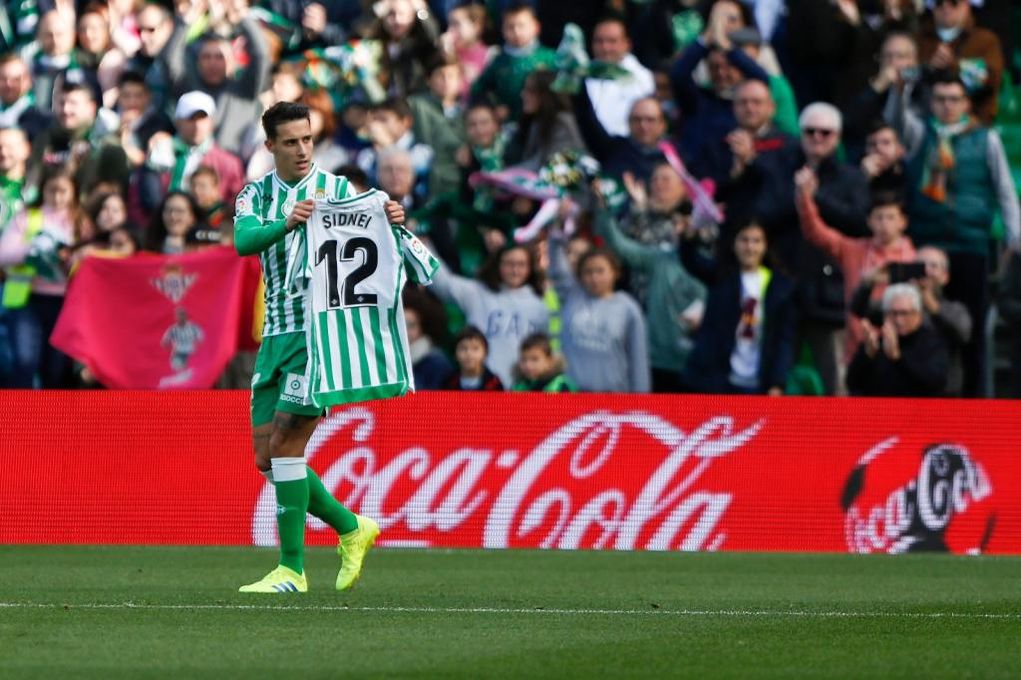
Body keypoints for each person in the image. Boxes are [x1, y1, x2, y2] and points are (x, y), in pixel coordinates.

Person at [232, 101, 405, 594]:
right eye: (290, 141)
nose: (303, 149)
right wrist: (286, 223)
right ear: (271, 147)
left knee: (288, 444)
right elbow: (244, 242)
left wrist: (391, 217)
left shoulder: (338, 190)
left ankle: (291, 569)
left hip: (319, 336)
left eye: (307, 138)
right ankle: (352, 527)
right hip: (275, 338)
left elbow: (375, 239)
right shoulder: (256, 195)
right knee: (269, 460)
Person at [898, 73, 1019, 395]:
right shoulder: (920, 132)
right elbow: (895, 120)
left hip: (970, 243)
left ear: (966, 103)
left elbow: (1004, 190)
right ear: (931, 102)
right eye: (940, 99)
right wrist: (902, 89)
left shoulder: (986, 138)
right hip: (925, 241)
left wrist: (1014, 236)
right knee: (919, 322)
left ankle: (974, 400)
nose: (947, 106)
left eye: (954, 99)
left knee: (971, 328)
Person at [594, 188, 705, 393]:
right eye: (677, 223)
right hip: (658, 363)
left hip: (698, 365)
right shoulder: (659, 259)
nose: (681, 228)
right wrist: (604, 211)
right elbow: (619, 246)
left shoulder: (713, 265)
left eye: (687, 223)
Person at [797, 179, 917, 359]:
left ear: (903, 222)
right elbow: (816, 233)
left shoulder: (914, 258)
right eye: (879, 217)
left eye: (891, 217)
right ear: (869, 222)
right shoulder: (853, 249)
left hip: (901, 350)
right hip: (857, 347)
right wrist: (804, 198)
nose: (884, 224)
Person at [683, 220, 798, 395]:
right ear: (734, 244)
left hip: (758, 381)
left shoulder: (780, 287)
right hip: (718, 380)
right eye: (744, 240)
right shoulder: (722, 276)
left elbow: (783, 338)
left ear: (765, 246)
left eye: (756, 241)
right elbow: (692, 260)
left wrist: (777, 382)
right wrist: (689, 238)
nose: (750, 247)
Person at [0, 165, 78, 388]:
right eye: (51, 190)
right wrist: (33, 250)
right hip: (27, 299)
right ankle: (17, 420)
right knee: (24, 363)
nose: (56, 196)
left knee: (54, 368)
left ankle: (50, 421)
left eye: (62, 191)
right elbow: (3, 254)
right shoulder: (27, 217)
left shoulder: (80, 222)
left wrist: (66, 258)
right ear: (43, 190)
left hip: (65, 303)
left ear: (73, 192)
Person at [429, 243, 549, 386]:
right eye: (509, 264)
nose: (515, 270)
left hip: (521, 388)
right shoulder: (477, 293)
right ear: (498, 265)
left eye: (521, 264)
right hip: (482, 386)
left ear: (530, 268)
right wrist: (423, 245)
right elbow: (443, 284)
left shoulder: (539, 306)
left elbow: (543, 351)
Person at [548, 238, 650, 393]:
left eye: (600, 271)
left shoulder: (628, 308)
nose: (594, 278)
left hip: (613, 397)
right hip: (571, 394)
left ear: (615, 273)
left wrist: (641, 403)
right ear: (580, 276)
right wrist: (557, 237)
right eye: (588, 272)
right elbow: (557, 269)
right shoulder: (571, 296)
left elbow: (638, 360)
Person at [846, 282, 950, 397]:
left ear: (918, 314)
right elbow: (852, 383)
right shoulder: (877, 341)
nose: (899, 320)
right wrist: (867, 355)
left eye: (905, 313)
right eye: (893, 313)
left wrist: (898, 358)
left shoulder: (933, 342)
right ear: (885, 315)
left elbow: (936, 382)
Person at [917, 0, 1003, 123]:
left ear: (967, 5)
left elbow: (992, 80)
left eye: (954, 2)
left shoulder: (986, 40)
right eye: (939, 3)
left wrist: (954, 66)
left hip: (974, 124)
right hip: (923, 123)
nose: (946, 7)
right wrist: (928, 68)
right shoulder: (918, 41)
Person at [470, 3, 557, 121]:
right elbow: (479, 88)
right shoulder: (498, 60)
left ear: (536, 27)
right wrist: (494, 107)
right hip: (510, 124)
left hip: (544, 120)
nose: (516, 31)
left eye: (522, 25)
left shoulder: (550, 57)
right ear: (502, 30)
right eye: (510, 27)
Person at [584, 16, 656, 138]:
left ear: (626, 44)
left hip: (624, 148)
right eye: (599, 41)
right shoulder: (582, 74)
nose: (605, 48)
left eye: (612, 41)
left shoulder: (642, 78)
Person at [402, 287, 452, 390]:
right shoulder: (387, 361)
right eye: (401, 325)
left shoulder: (437, 364)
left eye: (411, 325)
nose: (405, 331)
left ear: (423, 327)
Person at [440, 325, 504, 391]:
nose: (469, 353)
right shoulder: (449, 383)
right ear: (455, 353)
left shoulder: (494, 383)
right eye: (463, 348)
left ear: (485, 353)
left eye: (475, 348)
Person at [511, 331, 576, 392]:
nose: (528, 365)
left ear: (549, 361)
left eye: (534, 359)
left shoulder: (561, 387)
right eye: (523, 360)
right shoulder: (519, 387)